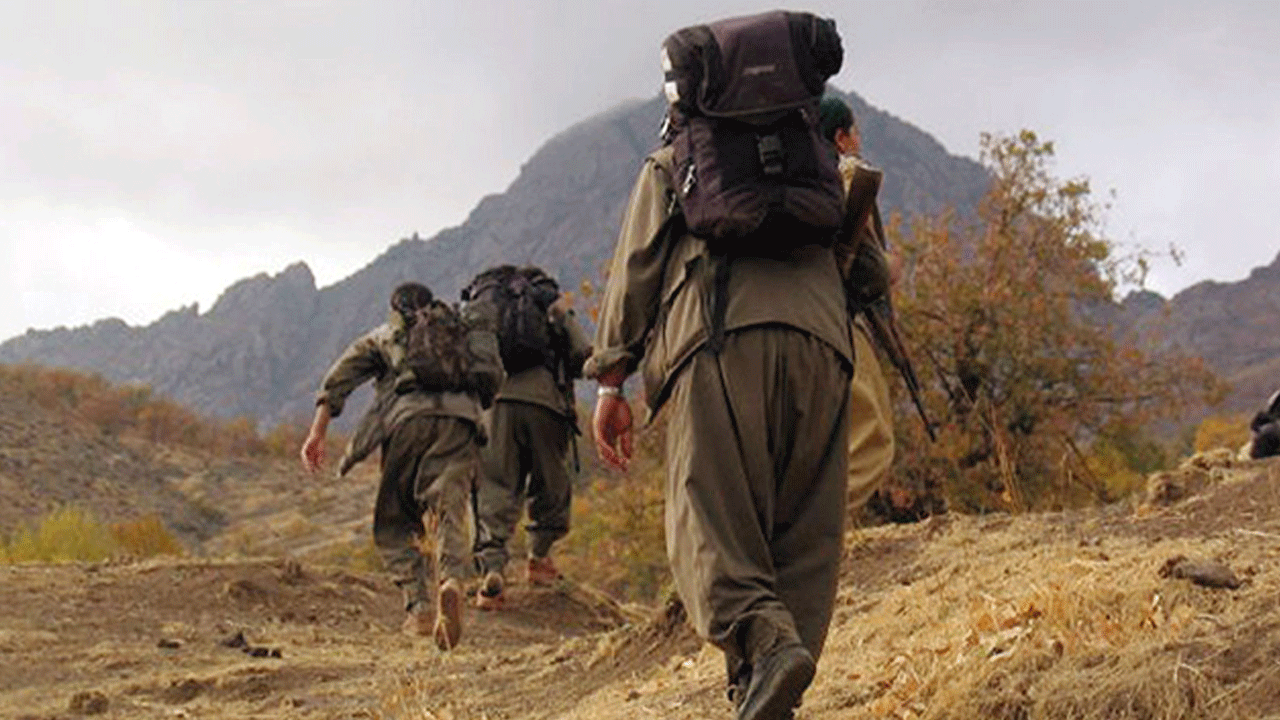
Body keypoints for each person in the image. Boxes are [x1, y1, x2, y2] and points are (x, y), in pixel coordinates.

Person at [588, 41, 858, 720]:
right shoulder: (822, 160)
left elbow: (635, 273)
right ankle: (768, 694)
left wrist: (613, 382)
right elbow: (872, 273)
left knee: (706, 517)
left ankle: (765, 649)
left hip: (719, 338)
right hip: (825, 348)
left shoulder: (675, 163)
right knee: (801, 531)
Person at [299, 281, 502, 651]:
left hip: (407, 423)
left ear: (395, 309)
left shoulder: (385, 334)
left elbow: (338, 381)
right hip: (462, 422)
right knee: (450, 507)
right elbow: (491, 379)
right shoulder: (458, 330)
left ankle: (419, 607)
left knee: (395, 519)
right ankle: (452, 580)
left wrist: (317, 433)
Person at [471, 272, 592, 609]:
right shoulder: (548, 302)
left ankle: (491, 574)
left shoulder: (487, 306)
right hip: (546, 403)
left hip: (495, 405)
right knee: (550, 482)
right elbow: (582, 351)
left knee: (495, 485)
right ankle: (539, 559)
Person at [818, 95, 898, 510]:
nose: (859, 140)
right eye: (855, 132)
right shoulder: (848, 178)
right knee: (872, 438)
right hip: (832, 319)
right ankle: (815, 530)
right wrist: (888, 265)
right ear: (840, 137)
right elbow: (870, 273)